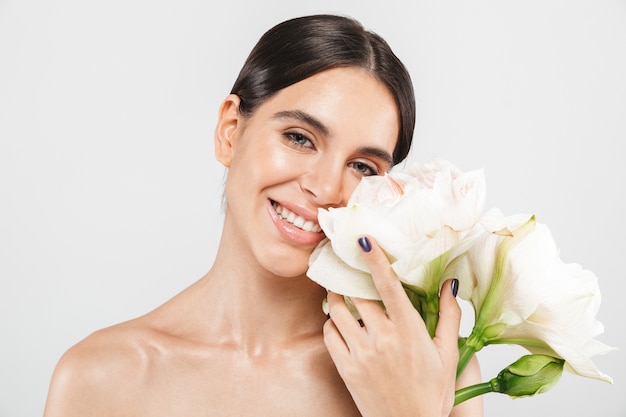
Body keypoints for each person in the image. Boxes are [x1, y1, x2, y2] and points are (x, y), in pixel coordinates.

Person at [43, 14, 482, 417]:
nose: (326, 188)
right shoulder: (100, 379)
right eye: (299, 137)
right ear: (230, 132)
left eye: (362, 166)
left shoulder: (424, 366)